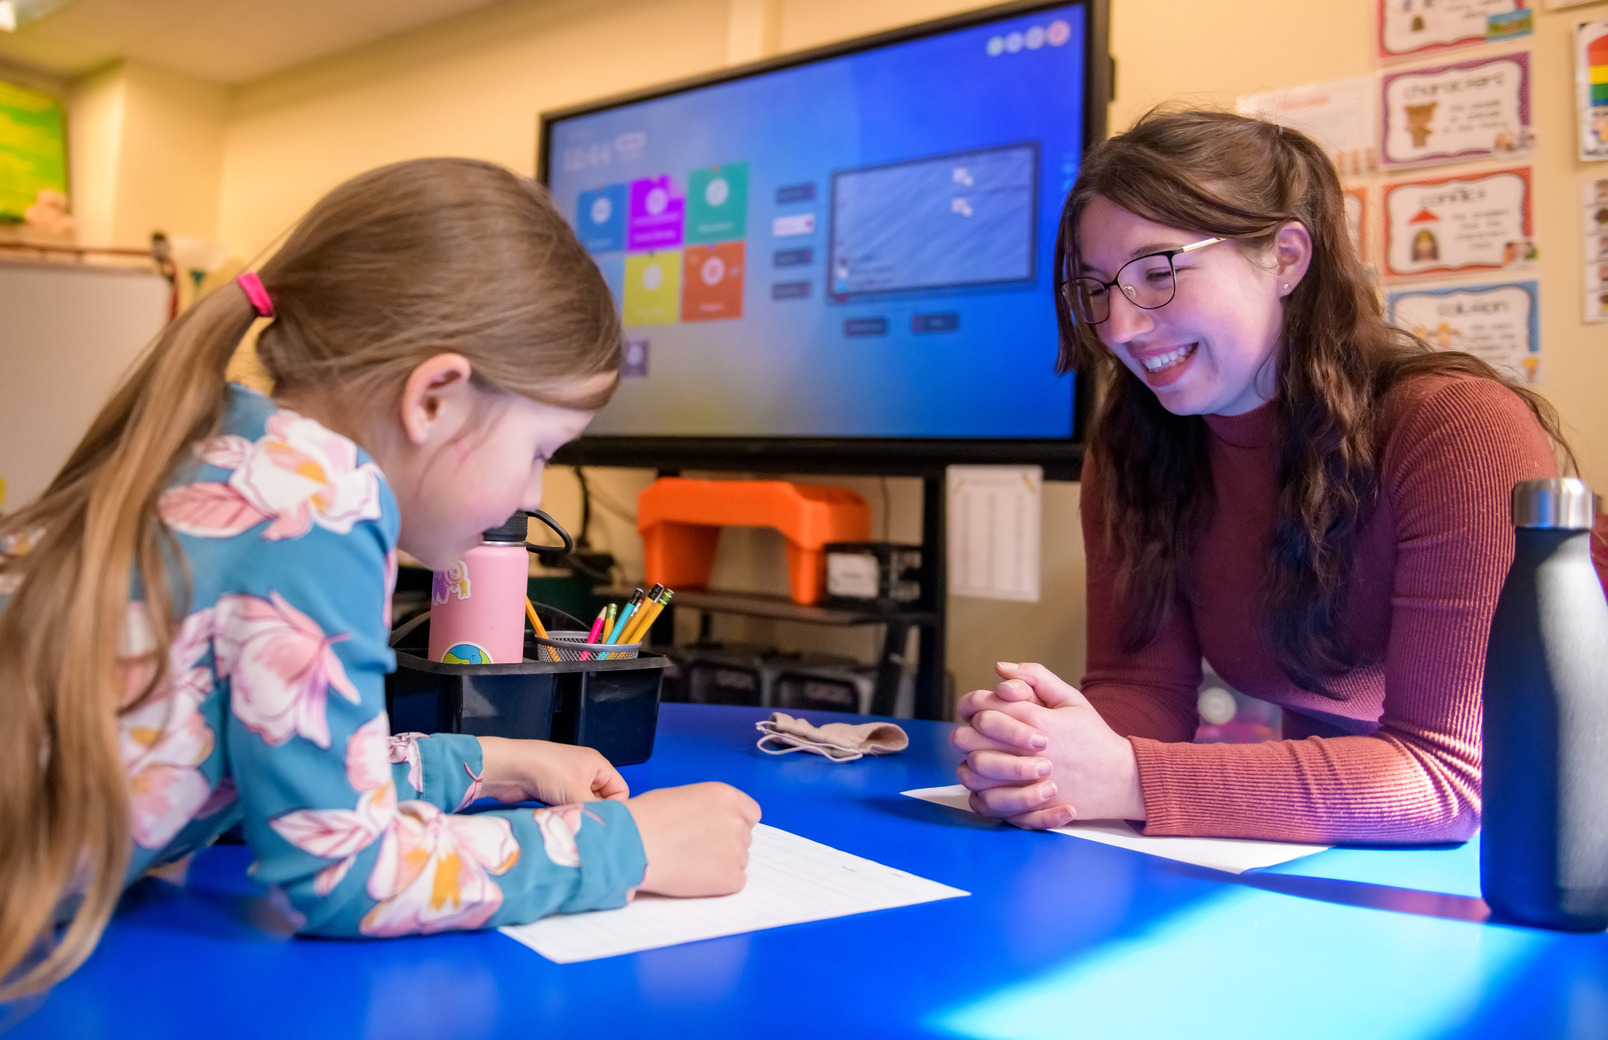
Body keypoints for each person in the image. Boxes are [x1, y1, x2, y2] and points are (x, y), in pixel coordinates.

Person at [0, 158, 760, 1000]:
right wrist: (631, 845)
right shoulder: (323, 503)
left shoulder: (233, 455)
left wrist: (492, 760)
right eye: (542, 451)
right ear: (434, 396)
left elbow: (296, 761)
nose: (535, 495)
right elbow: (346, 870)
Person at [952, 110, 1575, 845]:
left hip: (1549, 837)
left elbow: (1442, 778)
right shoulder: (1132, 444)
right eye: (1097, 289)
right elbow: (1142, 688)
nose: (1118, 327)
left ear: (1285, 257)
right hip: (1354, 840)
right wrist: (1041, 758)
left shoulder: (1458, 429)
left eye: (1159, 272)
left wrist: (1125, 778)